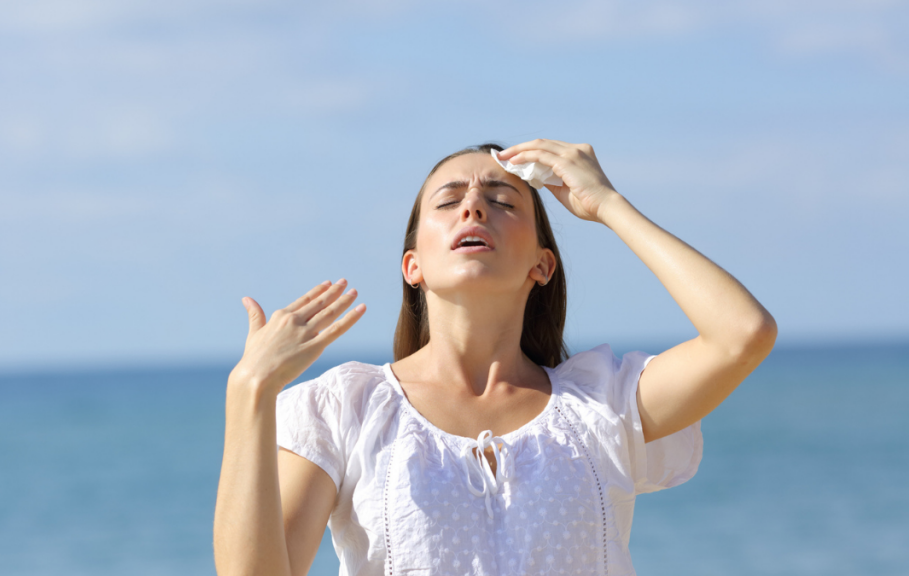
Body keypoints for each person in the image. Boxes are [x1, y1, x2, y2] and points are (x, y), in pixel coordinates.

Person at [213, 139, 777, 576]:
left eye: (503, 201)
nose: (474, 208)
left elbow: (743, 334)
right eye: (449, 200)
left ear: (542, 265)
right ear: (413, 267)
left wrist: (607, 204)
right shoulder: (345, 409)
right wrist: (250, 392)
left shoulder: (601, 403)